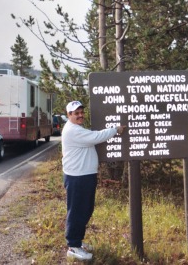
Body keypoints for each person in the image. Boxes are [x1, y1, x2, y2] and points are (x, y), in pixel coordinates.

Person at [61, 100, 126, 261]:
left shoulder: (77, 128)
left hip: (85, 176)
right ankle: (73, 246)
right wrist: (115, 130)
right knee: (76, 212)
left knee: (85, 210)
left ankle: (78, 241)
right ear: (69, 115)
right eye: (76, 113)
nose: (80, 115)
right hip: (77, 178)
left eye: (81, 112)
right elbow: (97, 136)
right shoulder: (72, 131)